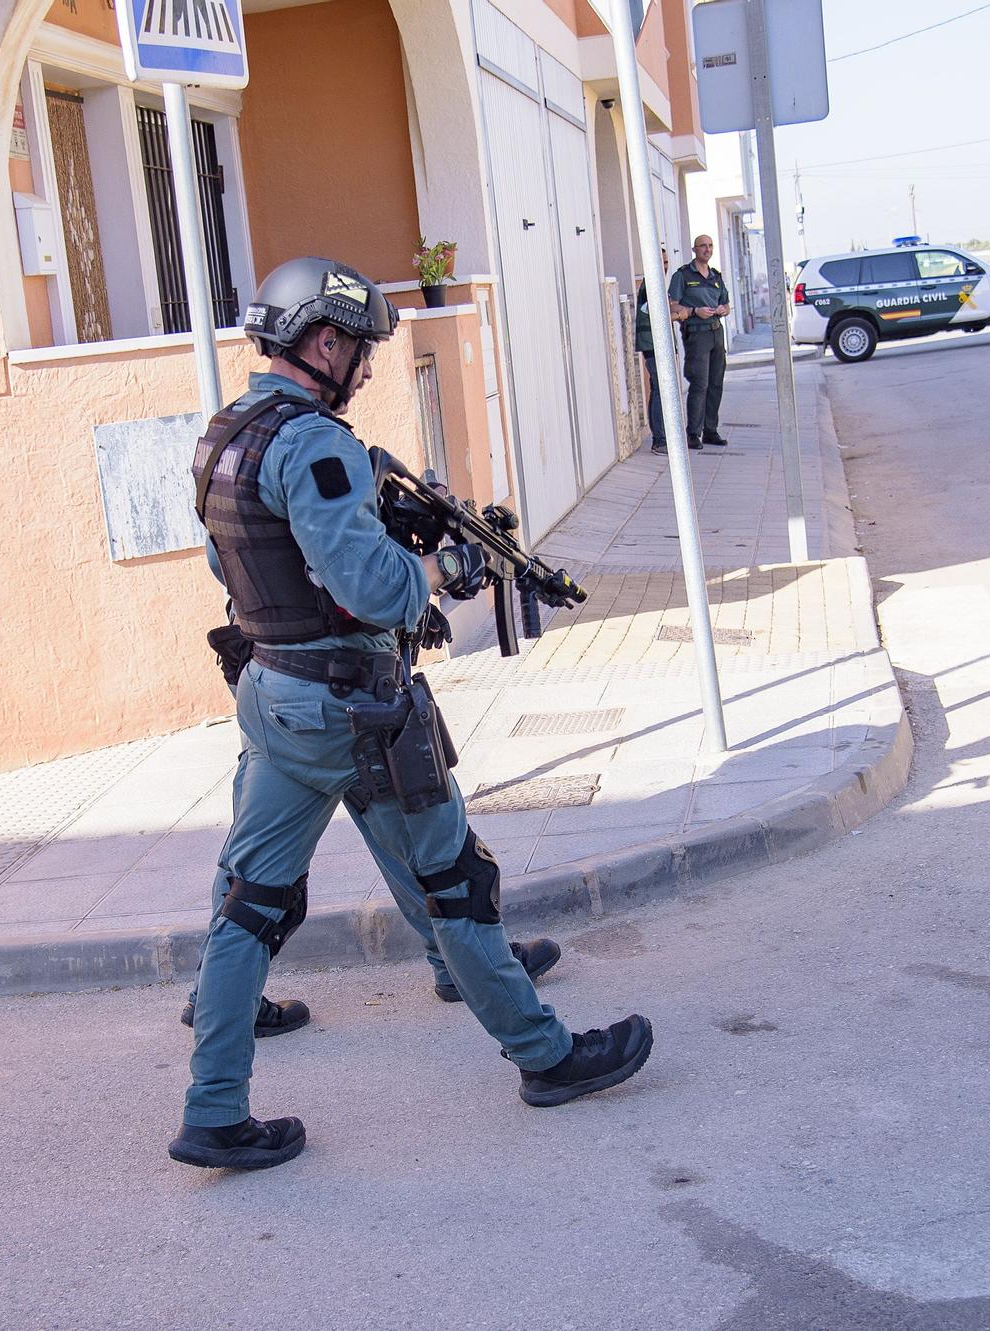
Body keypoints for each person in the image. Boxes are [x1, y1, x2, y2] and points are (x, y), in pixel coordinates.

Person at [171, 257, 654, 1171]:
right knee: (452, 877)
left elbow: (229, 565)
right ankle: (546, 1055)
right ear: (322, 340)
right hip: (350, 706)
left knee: (249, 902)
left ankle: (214, 1109)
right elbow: (377, 590)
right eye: (358, 348)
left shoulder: (227, 433)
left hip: (272, 696)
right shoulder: (316, 445)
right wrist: (437, 571)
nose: (364, 367)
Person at [668, 235, 732, 449]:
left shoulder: (715, 276)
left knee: (716, 383)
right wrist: (695, 311)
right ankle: (693, 434)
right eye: (703, 246)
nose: (707, 249)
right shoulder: (683, 275)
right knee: (700, 383)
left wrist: (723, 309)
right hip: (697, 334)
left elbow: (726, 303)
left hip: (716, 331)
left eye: (710, 245)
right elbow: (672, 306)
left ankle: (710, 430)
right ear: (694, 249)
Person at [636, 252, 673, 456]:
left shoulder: (656, 284)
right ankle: (660, 440)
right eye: (660, 262)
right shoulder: (652, 285)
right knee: (660, 391)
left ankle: (662, 438)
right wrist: (681, 313)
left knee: (659, 389)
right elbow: (659, 312)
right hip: (653, 345)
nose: (664, 266)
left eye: (666, 262)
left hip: (656, 345)